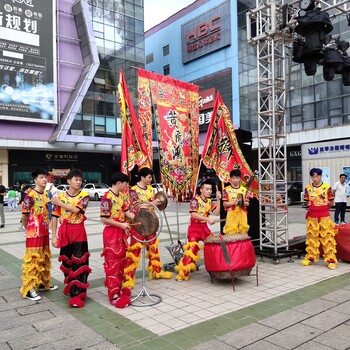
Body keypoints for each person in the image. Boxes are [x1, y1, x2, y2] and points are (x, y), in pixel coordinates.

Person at [123, 167, 172, 288]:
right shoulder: (133, 191)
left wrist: (161, 202)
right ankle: (128, 277)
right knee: (135, 250)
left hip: (151, 223)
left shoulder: (151, 189)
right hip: (138, 223)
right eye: (149, 177)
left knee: (153, 248)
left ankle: (156, 271)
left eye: (151, 177)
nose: (151, 179)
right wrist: (152, 203)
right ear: (142, 177)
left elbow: (155, 204)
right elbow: (137, 206)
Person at [51, 169, 91, 308]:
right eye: (76, 180)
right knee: (67, 261)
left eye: (80, 180)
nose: (79, 182)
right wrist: (54, 236)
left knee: (79, 262)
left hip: (78, 231)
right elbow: (55, 217)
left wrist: (58, 202)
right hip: (65, 231)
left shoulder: (85, 195)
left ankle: (78, 294)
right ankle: (70, 286)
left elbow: (76, 210)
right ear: (68, 181)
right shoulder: (61, 196)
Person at [19, 168, 58, 301]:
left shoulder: (46, 194)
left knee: (44, 257)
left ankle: (42, 282)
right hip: (33, 233)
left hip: (44, 231)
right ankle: (29, 288)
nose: (44, 180)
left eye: (45, 177)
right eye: (41, 177)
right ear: (35, 179)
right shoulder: (30, 195)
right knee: (33, 259)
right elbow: (24, 215)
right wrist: (27, 229)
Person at [175, 179, 222, 281]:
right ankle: (183, 274)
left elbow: (217, 213)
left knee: (214, 245)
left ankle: (217, 268)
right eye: (207, 189)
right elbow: (194, 214)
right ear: (201, 190)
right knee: (191, 251)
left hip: (204, 228)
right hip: (194, 228)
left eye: (210, 189)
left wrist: (218, 200)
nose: (209, 191)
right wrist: (207, 219)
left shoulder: (209, 201)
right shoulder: (195, 200)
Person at [100, 173, 135, 308]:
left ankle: (119, 289)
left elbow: (127, 213)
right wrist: (121, 225)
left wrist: (140, 218)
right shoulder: (106, 198)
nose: (126, 186)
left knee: (121, 262)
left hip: (121, 232)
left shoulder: (121, 197)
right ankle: (113, 294)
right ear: (118, 183)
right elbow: (103, 219)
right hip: (111, 232)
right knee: (112, 263)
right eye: (125, 183)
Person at [301, 168, 337, 270]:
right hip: (312, 216)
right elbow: (307, 202)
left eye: (317, 176)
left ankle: (331, 260)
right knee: (312, 237)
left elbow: (331, 201)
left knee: (328, 238)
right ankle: (311, 258)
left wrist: (324, 209)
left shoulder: (327, 187)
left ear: (321, 176)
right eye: (313, 177)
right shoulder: (308, 188)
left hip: (324, 215)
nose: (315, 179)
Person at [222, 169, 250, 235]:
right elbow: (224, 204)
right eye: (233, 178)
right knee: (231, 231)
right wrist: (233, 203)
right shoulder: (226, 190)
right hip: (231, 213)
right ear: (230, 178)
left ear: (240, 178)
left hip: (242, 213)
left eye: (237, 178)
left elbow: (247, 203)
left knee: (243, 231)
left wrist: (241, 202)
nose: (235, 180)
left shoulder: (244, 190)